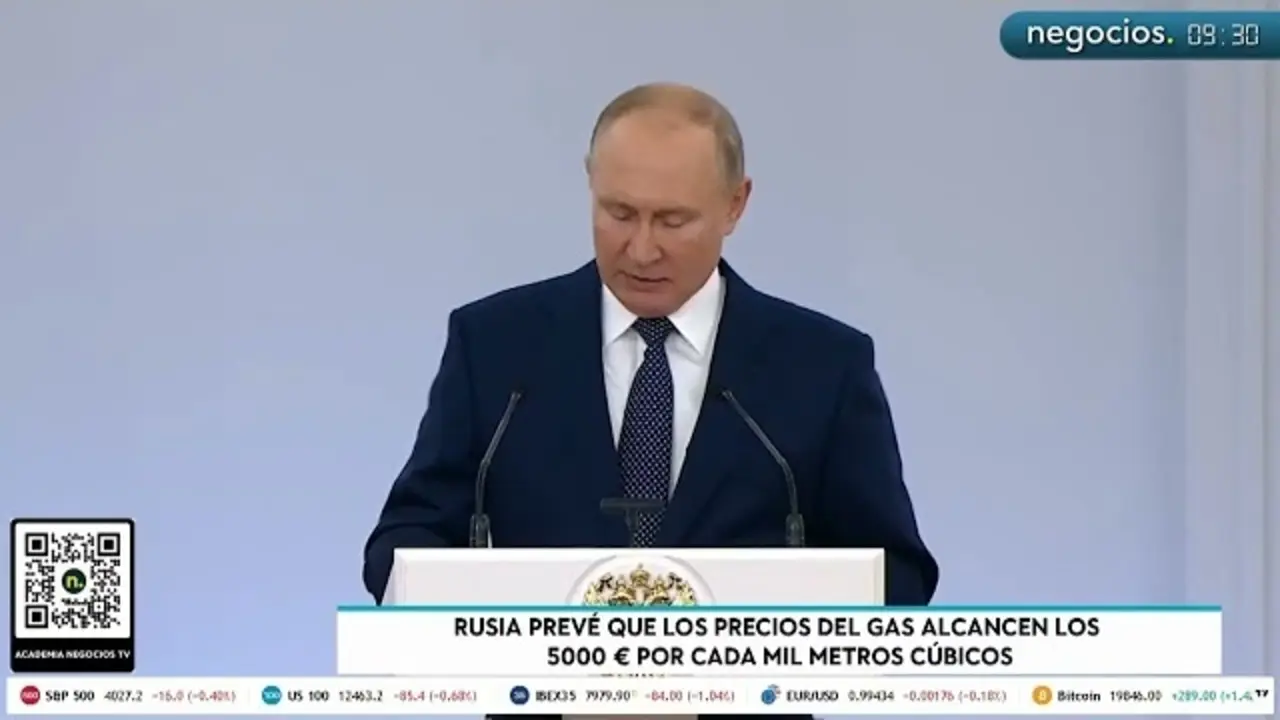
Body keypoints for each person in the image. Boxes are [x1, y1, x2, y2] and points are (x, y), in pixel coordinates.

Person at [363, 83, 938, 610]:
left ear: (735, 204)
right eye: (620, 213)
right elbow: (406, 539)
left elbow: (896, 575)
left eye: (672, 221)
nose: (641, 250)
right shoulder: (495, 345)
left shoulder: (824, 366)